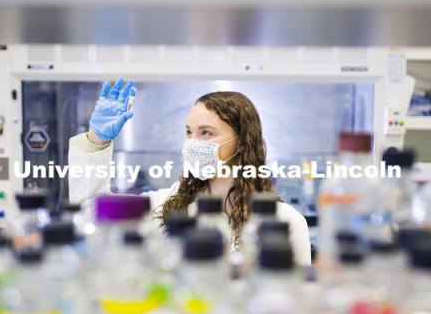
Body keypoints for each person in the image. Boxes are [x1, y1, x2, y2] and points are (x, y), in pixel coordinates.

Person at [68, 77, 311, 266]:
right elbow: (90, 216)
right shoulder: (165, 206)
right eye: (188, 132)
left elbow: (298, 302)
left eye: (206, 132)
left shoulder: (286, 222)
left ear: (243, 142)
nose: (192, 142)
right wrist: (96, 140)